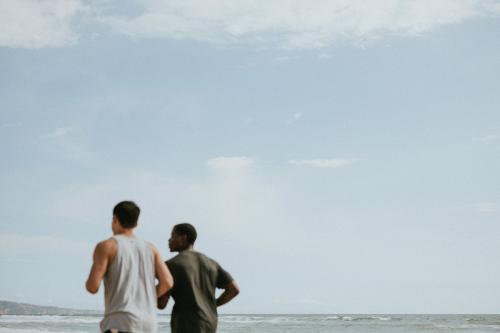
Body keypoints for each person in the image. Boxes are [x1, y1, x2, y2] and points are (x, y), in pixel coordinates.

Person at [86, 201, 174, 333]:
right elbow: (167, 282)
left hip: (120, 322)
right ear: (136, 223)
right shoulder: (150, 248)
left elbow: (92, 287)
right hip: (147, 322)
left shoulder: (107, 246)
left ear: (115, 219)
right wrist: (147, 300)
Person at [158, 223, 240, 333]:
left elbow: (161, 304)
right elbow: (234, 289)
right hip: (209, 323)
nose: (169, 240)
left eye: (173, 236)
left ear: (183, 238)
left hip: (186, 324)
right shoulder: (211, 263)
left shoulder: (171, 265)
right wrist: (213, 304)